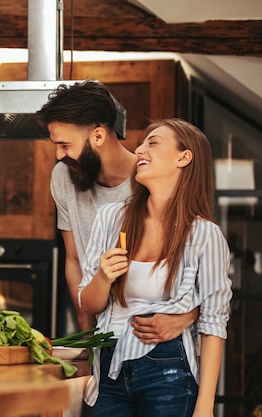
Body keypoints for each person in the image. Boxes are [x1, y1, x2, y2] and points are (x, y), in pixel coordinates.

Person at [79, 118, 233, 416]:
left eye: (153, 142)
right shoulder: (111, 219)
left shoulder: (204, 235)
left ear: (183, 157)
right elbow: (89, 304)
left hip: (169, 371)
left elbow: (214, 325)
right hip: (109, 370)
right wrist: (103, 276)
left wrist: (205, 407)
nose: (139, 150)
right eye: (142, 143)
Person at [36, 81, 197, 341]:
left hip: (156, 341)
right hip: (103, 336)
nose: (58, 155)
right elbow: (74, 260)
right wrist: (88, 337)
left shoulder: (154, 179)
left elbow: (204, 269)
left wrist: (184, 317)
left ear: (98, 136)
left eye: (65, 145)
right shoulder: (63, 176)